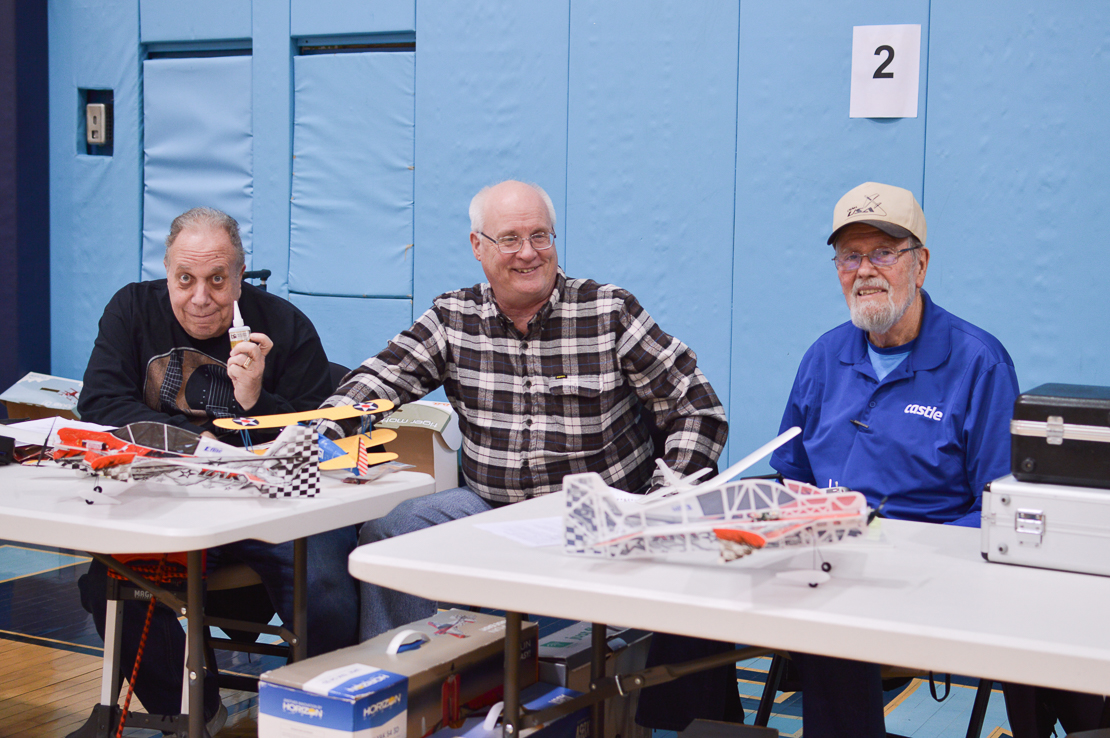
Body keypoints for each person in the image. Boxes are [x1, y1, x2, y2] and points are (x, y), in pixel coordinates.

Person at [316, 179, 728, 636]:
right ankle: (401, 675)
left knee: (557, 650)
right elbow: (379, 379)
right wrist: (314, 436)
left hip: (598, 519)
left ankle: (562, 671)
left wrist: (662, 503)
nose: (528, 253)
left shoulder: (608, 311)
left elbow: (696, 406)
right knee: (393, 531)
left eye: (540, 236)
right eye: (510, 239)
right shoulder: (453, 318)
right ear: (478, 246)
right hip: (489, 508)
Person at [769, 182, 1102, 737]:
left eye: (883, 253)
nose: (864, 270)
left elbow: (997, 505)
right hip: (829, 561)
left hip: (931, 572)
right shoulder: (823, 356)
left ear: (920, 264)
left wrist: (904, 549)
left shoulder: (977, 362)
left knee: (836, 622)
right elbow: (791, 474)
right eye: (850, 256)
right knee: (703, 602)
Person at [76, 207, 358, 728]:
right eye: (185, 279)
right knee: (108, 585)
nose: (201, 298)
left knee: (326, 586)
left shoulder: (284, 325)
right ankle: (193, 714)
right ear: (166, 272)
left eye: (217, 280)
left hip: (273, 509)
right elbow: (99, 402)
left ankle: (316, 717)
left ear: (240, 276)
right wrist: (189, 441)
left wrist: (256, 400)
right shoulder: (132, 309)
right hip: (173, 505)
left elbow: (322, 433)